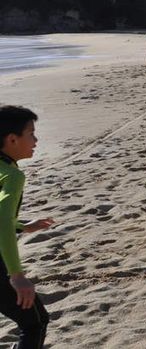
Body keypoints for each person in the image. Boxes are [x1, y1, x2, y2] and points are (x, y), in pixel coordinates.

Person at [0, 105, 54, 348]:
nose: (36, 139)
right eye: (31, 134)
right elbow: (0, 219)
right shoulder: (12, 176)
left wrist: (22, 226)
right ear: (12, 139)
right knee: (36, 322)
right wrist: (17, 275)